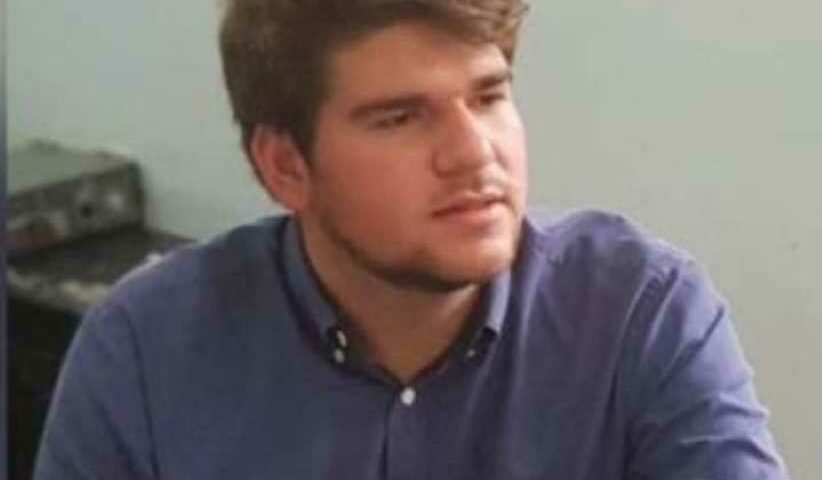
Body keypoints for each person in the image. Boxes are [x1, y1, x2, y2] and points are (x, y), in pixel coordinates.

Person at [35, 1, 791, 479]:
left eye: (489, 97)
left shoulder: (641, 312)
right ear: (285, 166)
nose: (474, 153)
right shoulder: (146, 348)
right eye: (400, 118)